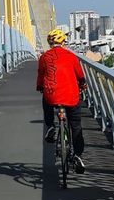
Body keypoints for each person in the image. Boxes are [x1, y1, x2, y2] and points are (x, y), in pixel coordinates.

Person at [36, 28, 86, 173]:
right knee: (76, 126)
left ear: (50, 43)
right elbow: (80, 75)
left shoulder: (44, 57)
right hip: (71, 96)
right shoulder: (71, 56)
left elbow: (41, 75)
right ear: (63, 42)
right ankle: (77, 155)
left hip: (52, 95)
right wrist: (83, 85)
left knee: (46, 100)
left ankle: (51, 126)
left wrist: (40, 87)